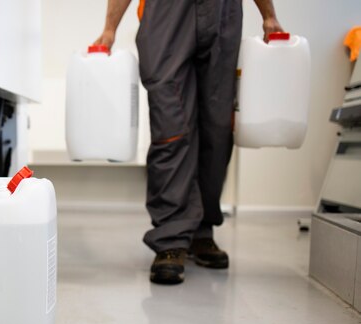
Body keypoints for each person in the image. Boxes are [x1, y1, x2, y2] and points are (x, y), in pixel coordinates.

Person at [94, 0, 284, 285]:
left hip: (223, 9)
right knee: (170, 124)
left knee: (217, 128)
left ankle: (201, 231)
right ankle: (171, 236)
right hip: (165, 10)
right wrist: (110, 28)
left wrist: (269, 14)